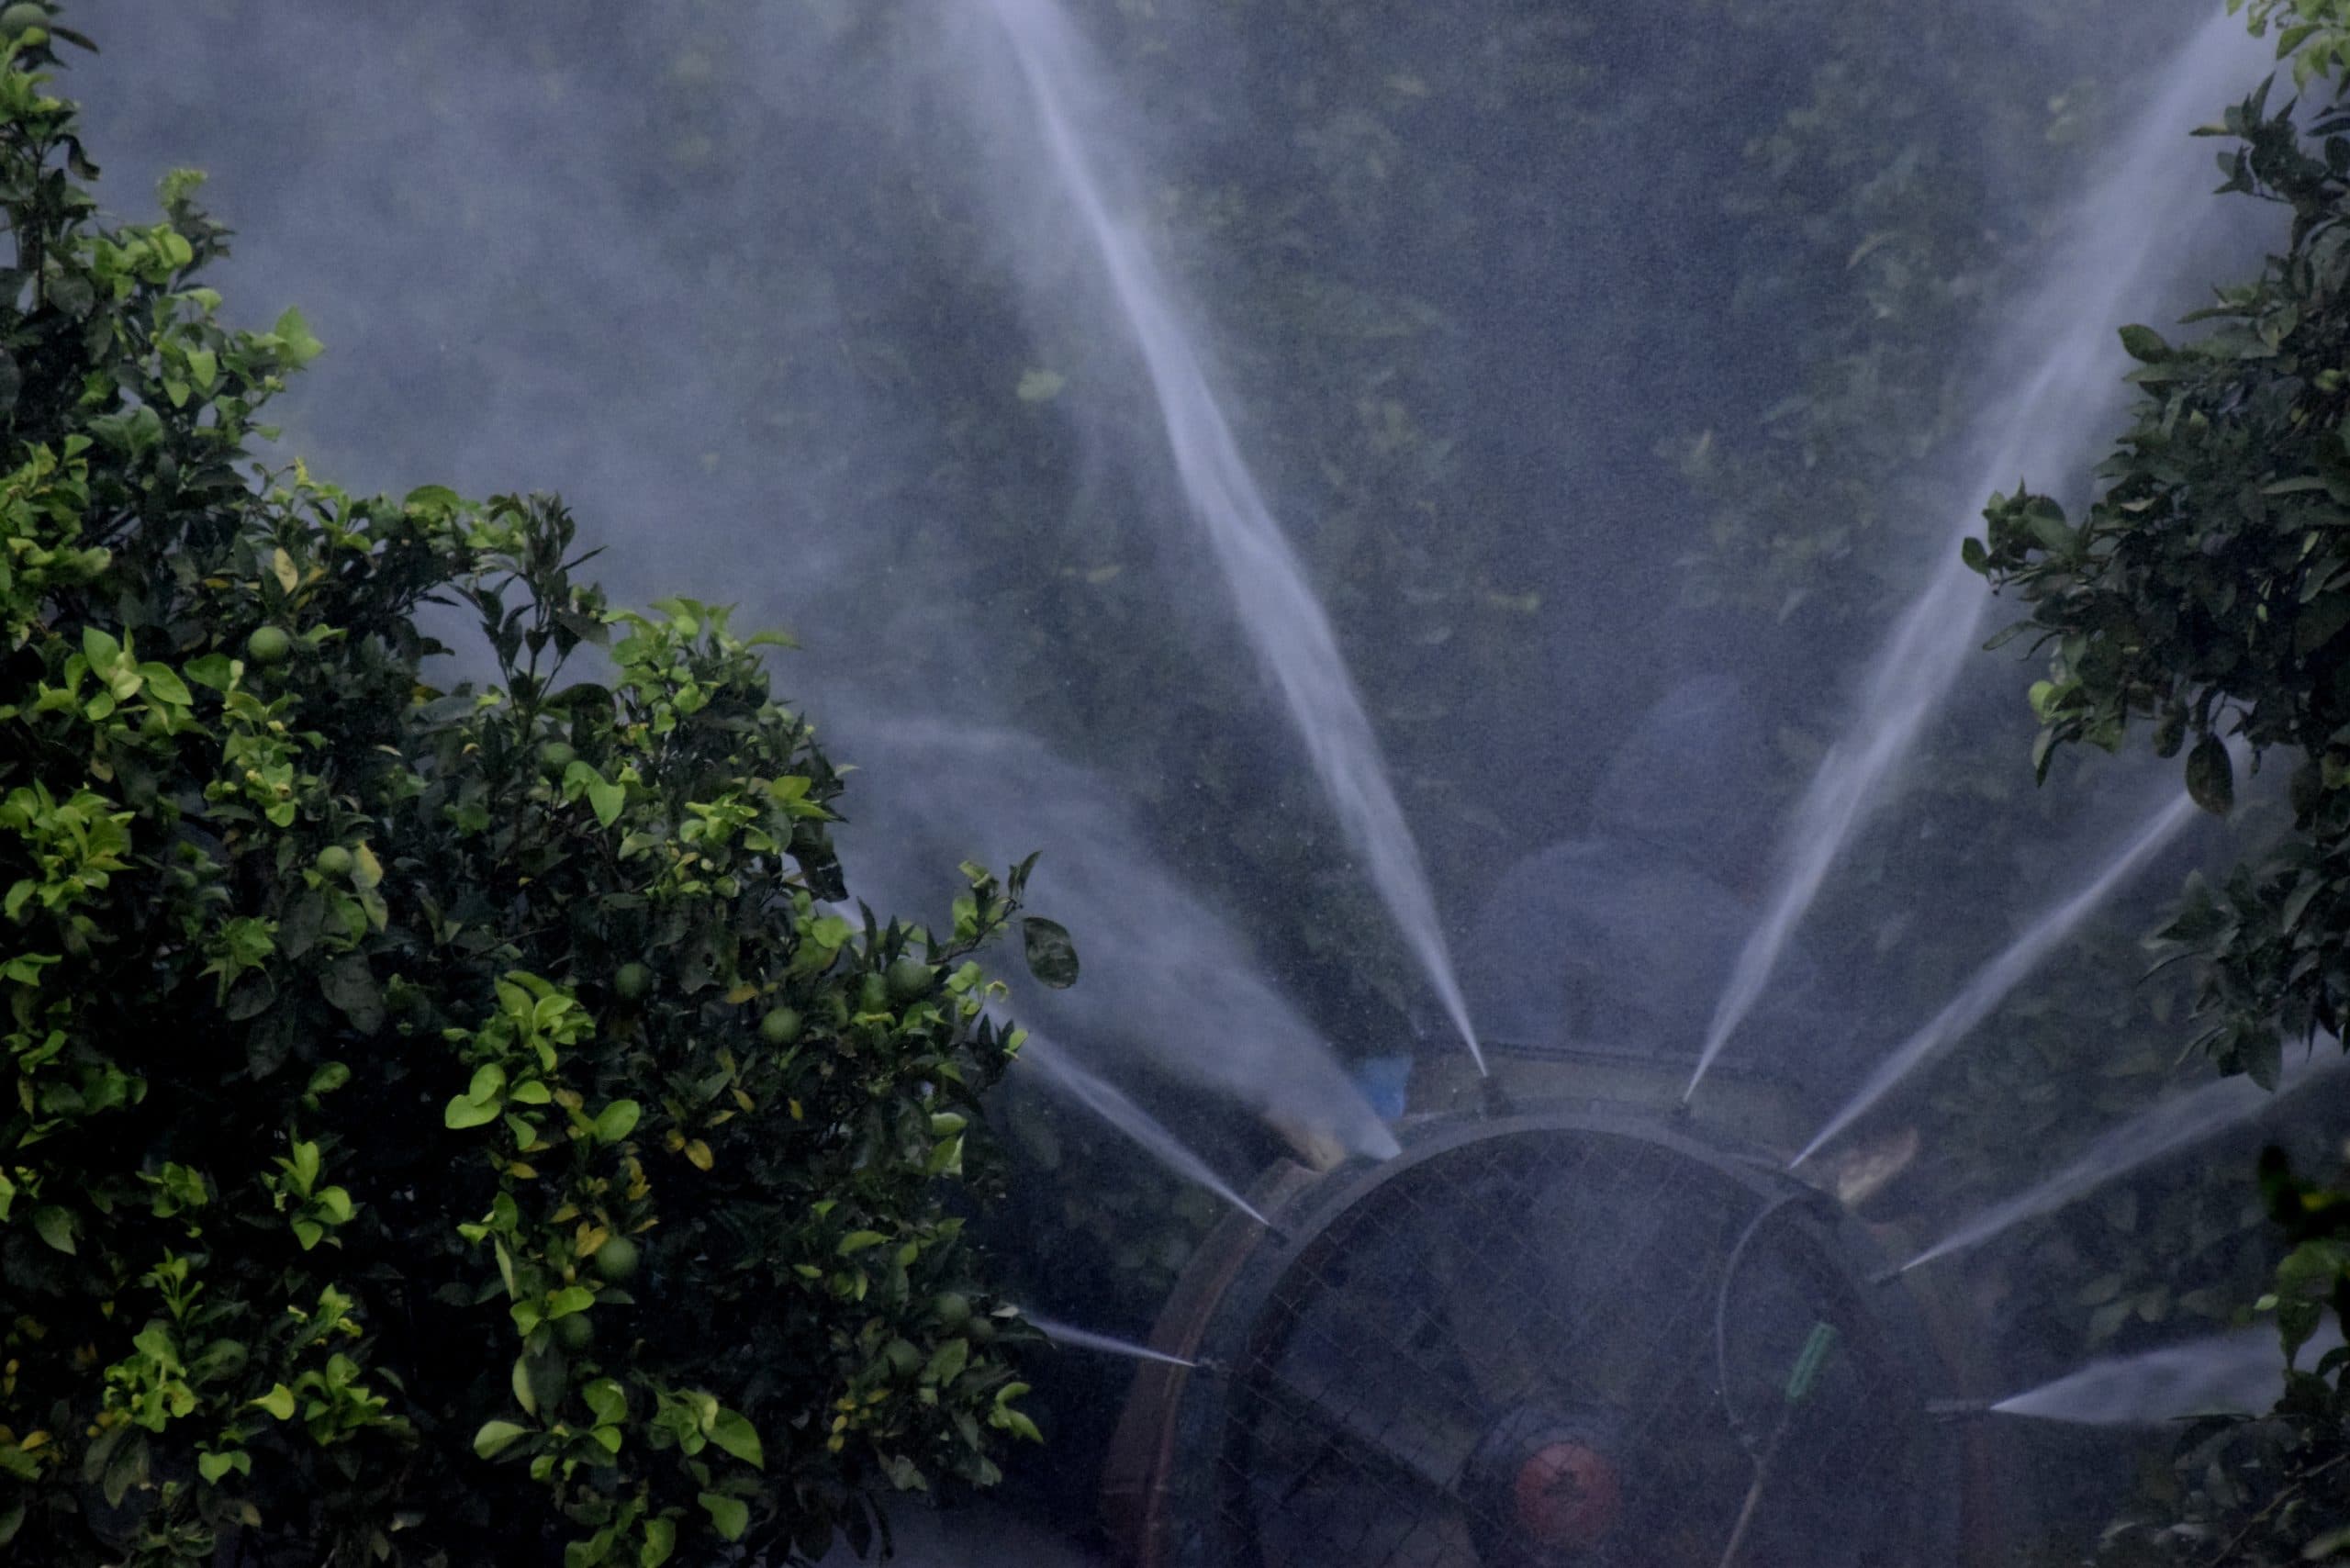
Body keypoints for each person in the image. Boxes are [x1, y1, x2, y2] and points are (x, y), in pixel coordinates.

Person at [1463, 675, 1839, 1092]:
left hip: (1499, 1156)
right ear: (1742, 803)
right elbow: (1797, 1100)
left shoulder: (1525, 891)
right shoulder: (1758, 957)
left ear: (1625, 770)